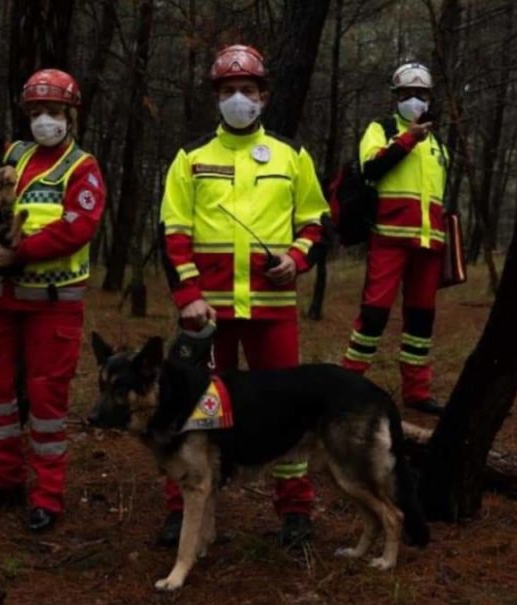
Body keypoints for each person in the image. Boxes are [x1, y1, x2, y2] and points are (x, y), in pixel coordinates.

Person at [159, 44, 329, 546]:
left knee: (288, 410)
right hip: (206, 313)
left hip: (272, 310)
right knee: (196, 409)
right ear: (216, 96)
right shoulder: (191, 158)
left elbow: (317, 222)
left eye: (247, 90)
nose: (238, 99)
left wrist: (295, 260)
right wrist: (187, 295)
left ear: (264, 96)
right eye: (229, 90)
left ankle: (295, 509)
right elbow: (172, 232)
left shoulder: (291, 155)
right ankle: (183, 509)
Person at [0, 68, 106, 531]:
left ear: (71, 116)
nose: (44, 120)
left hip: (53, 305)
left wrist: (19, 253)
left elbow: (77, 227)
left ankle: (48, 496)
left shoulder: (83, 167)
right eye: (36, 112)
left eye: (53, 112)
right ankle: (4, 482)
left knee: (46, 400)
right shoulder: (11, 154)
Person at [340, 62, 449, 416]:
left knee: (421, 322)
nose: (414, 101)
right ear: (395, 97)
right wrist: (407, 139)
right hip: (388, 238)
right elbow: (370, 168)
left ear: (430, 98)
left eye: (421, 95)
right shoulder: (381, 129)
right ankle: (348, 386)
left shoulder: (438, 144)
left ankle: (417, 391)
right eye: (407, 94)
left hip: (428, 244)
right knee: (373, 317)